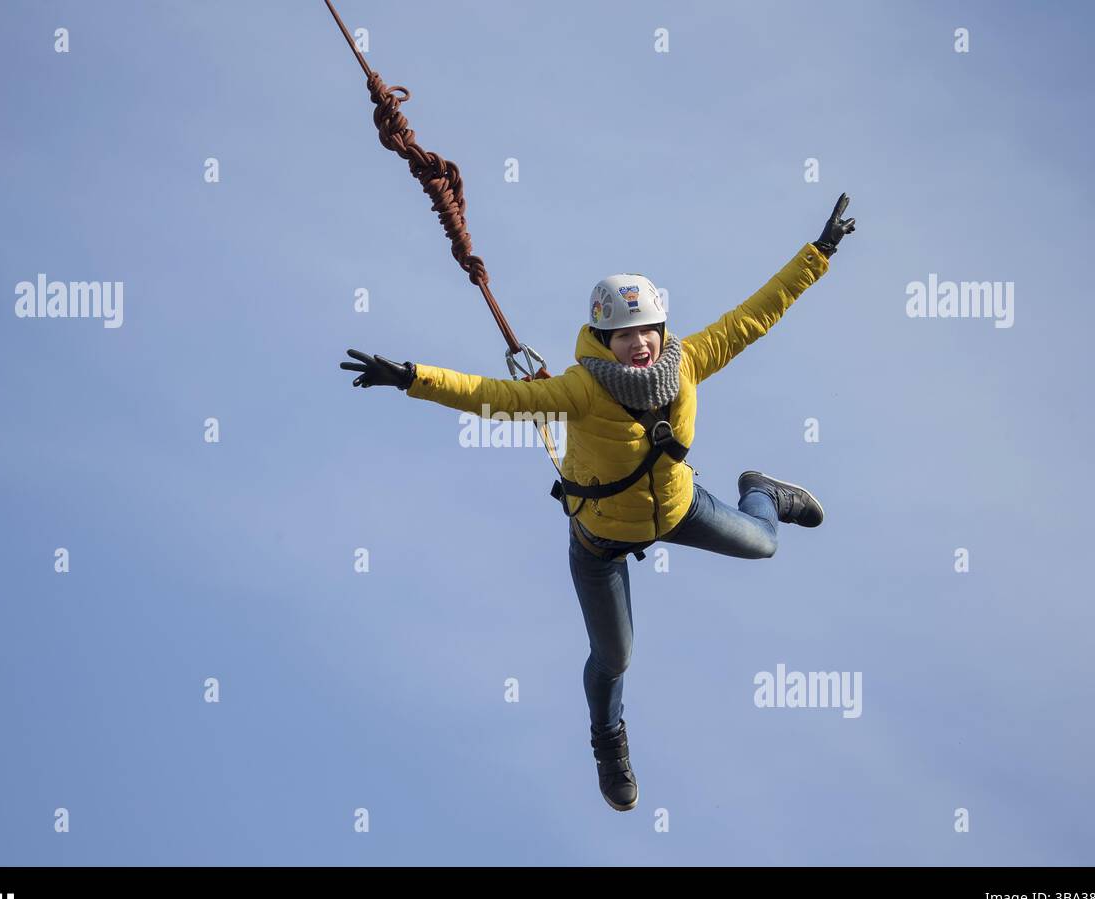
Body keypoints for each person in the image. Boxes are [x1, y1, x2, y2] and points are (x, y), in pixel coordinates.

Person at [341, 195, 856, 811]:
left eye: (646, 331)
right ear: (602, 339)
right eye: (623, 335)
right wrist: (411, 377)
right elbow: (495, 397)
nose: (639, 344)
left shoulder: (687, 362)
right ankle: (609, 743)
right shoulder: (580, 389)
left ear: (661, 331)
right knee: (616, 657)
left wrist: (817, 254)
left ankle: (762, 490)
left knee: (766, 541)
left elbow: (755, 316)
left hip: (680, 508)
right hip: (601, 543)